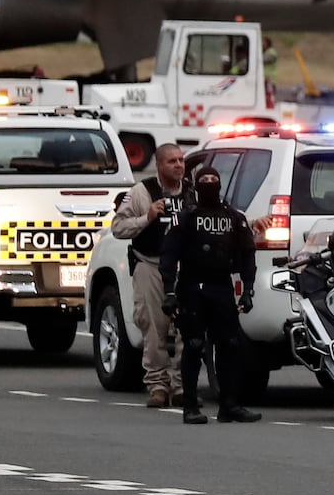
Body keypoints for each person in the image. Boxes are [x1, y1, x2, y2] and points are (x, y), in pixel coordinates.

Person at [158, 158, 260, 425]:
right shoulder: (186, 218)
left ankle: (229, 405)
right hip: (192, 286)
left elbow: (248, 254)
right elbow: (168, 256)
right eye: (204, 182)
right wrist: (169, 292)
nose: (209, 185)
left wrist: (248, 290)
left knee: (230, 345)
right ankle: (190, 406)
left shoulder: (233, 218)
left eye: (213, 181)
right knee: (193, 345)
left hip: (221, 286)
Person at [108, 144, 188, 408]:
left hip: (183, 270)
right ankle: (157, 385)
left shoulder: (192, 193)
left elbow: (221, 214)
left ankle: (181, 386)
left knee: (185, 330)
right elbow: (118, 227)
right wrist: (147, 217)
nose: (178, 165)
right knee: (154, 329)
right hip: (150, 266)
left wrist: (253, 222)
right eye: (172, 161)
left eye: (181, 160)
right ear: (159, 166)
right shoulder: (141, 193)